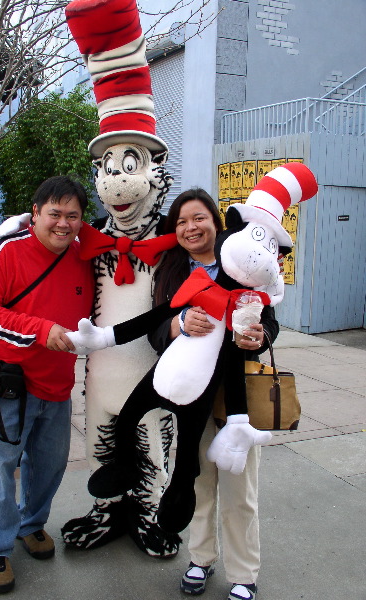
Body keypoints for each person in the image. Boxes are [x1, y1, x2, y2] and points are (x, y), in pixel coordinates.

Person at [147, 188, 279, 600]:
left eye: (199, 217)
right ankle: (200, 560)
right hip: (192, 400)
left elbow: (269, 320)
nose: (190, 227)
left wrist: (259, 336)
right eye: (182, 221)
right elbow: (153, 329)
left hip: (237, 399)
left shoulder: (241, 256)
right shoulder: (170, 271)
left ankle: (244, 574)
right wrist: (177, 324)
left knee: (241, 493)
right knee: (198, 483)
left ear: (215, 222)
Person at [0, 176, 94, 594]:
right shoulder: (5, 250)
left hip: (57, 381)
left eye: (72, 215)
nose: (63, 223)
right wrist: (40, 330)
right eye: (54, 213)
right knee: (0, 464)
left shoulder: (83, 256)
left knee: (50, 461)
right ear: (35, 213)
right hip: (6, 378)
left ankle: (31, 523)